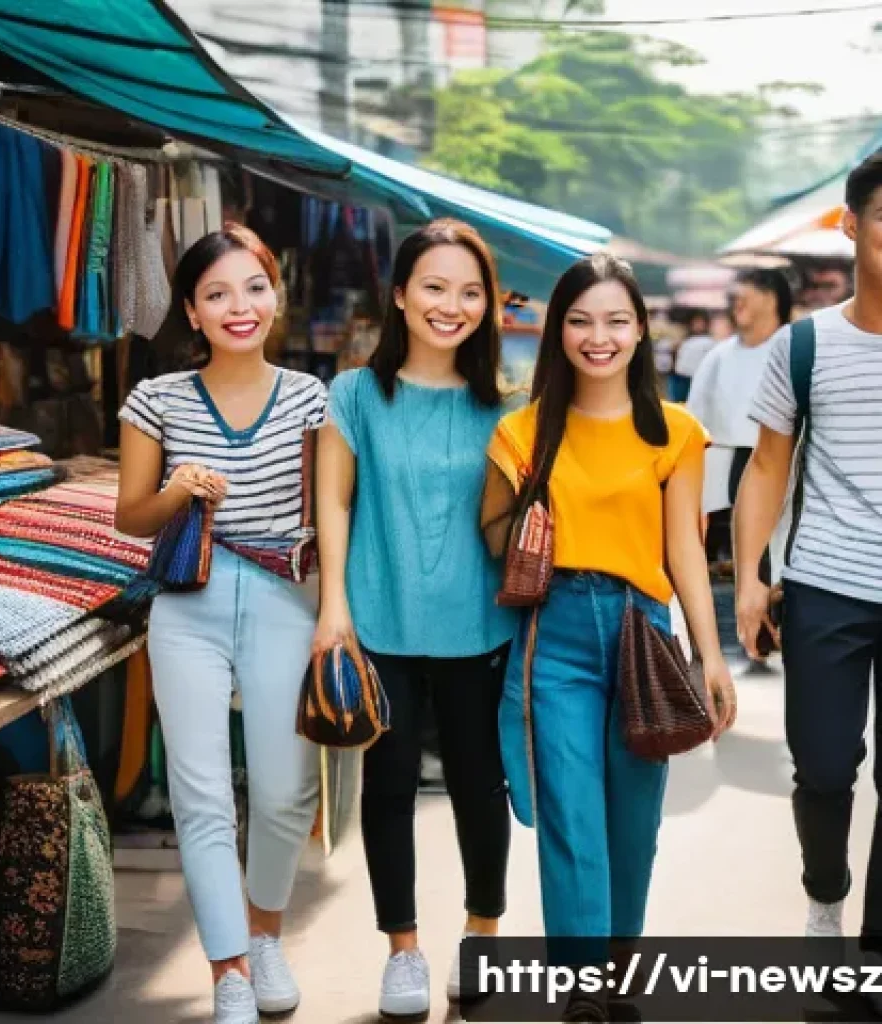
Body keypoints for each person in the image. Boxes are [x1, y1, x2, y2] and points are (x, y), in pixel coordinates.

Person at [481, 254, 737, 1022]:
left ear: (640, 330)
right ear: (559, 330)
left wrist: (712, 655)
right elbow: (490, 531)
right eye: (582, 320)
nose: (600, 337)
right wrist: (525, 526)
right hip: (551, 635)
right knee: (571, 819)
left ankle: (618, 970)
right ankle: (583, 990)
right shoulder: (520, 431)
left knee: (634, 824)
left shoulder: (677, 431)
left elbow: (685, 547)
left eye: (617, 320)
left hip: (642, 636)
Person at [115, 225, 326, 1024]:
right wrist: (179, 490)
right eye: (217, 295)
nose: (239, 307)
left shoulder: (314, 396)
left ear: (276, 296)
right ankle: (229, 967)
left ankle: (265, 931)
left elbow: (331, 514)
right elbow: (130, 515)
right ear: (192, 313)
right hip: (189, 600)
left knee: (284, 790)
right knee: (200, 793)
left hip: (286, 591)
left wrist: (335, 611)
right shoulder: (156, 398)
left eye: (254, 288)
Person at [314, 219, 519, 1019]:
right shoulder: (357, 394)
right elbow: (332, 499)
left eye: (470, 292)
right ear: (400, 296)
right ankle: (402, 951)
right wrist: (334, 606)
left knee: (479, 784)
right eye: (434, 287)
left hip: (480, 623)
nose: (452, 305)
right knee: (389, 784)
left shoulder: (507, 401)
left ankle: (483, 932)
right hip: (381, 619)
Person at [734, 153, 882, 953]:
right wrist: (753, 578)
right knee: (824, 769)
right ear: (851, 226)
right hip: (828, 582)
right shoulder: (805, 346)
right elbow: (765, 465)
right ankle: (825, 897)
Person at [686, 269, 793, 587]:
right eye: (732, 300)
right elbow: (695, 418)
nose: (734, 306)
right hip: (718, 471)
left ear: (770, 297)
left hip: (777, 466)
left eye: (741, 298)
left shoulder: (794, 347)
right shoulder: (718, 355)